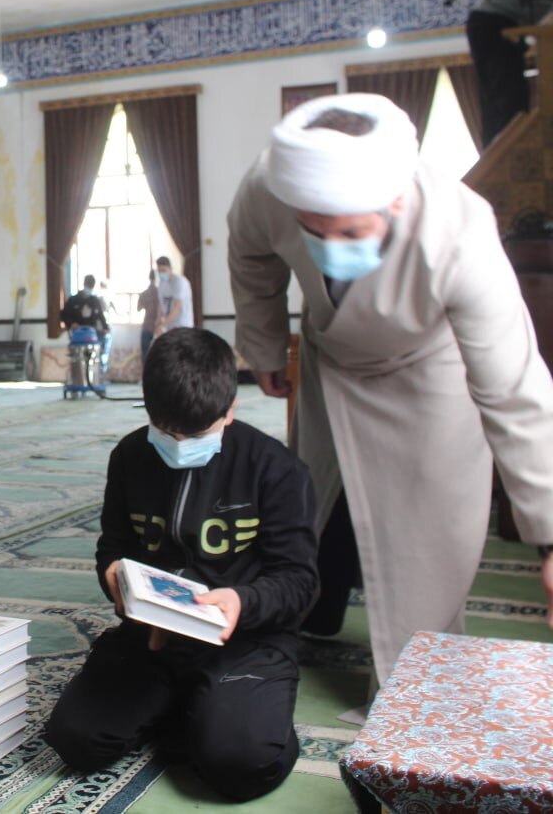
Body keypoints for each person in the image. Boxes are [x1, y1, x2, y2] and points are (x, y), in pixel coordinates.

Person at [227, 93, 553, 686]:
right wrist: (268, 344)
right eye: (314, 230)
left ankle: (414, 692)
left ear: (396, 198)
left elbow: (514, 389)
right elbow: (252, 258)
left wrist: (552, 539)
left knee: (430, 540)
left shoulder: (460, 231)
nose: (333, 245)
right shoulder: (269, 186)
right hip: (333, 355)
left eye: (351, 229)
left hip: (430, 370)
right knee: (308, 503)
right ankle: (308, 613)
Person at [45, 328, 318, 802]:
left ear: (230, 408)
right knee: (78, 741)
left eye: (196, 434)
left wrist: (241, 602)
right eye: (167, 431)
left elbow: (299, 581)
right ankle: (195, 707)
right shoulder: (131, 456)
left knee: (240, 766)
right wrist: (114, 579)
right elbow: (113, 546)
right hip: (152, 638)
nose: (178, 444)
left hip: (245, 643)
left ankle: (219, 711)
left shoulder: (275, 469)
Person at [466, 0, 553, 146]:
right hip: (494, 25)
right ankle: (505, 160)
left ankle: (499, 158)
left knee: (504, 103)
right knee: (510, 105)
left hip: (489, 23)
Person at [61, 274, 112, 369]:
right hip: (77, 336)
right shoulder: (73, 300)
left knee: (95, 358)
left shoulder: (94, 300)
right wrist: (71, 323)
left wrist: (105, 328)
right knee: (79, 359)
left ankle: (95, 377)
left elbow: (100, 315)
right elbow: (64, 315)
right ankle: (79, 378)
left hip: (93, 335)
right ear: (84, 284)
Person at [153, 256, 193, 335]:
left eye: (163, 270)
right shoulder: (161, 284)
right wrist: (158, 320)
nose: (161, 274)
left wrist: (163, 326)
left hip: (183, 326)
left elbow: (177, 307)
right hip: (169, 327)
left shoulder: (180, 282)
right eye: (159, 271)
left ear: (170, 268)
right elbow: (160, 304)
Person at [136, 270, 159, 361]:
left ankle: (146, 374)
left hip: (146, 325)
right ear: (156, 278)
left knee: (145, 355)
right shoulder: (160, 293)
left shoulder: (144, 294)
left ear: (149, 278)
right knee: (157, 355)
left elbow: (138, 309)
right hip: (158, 327)